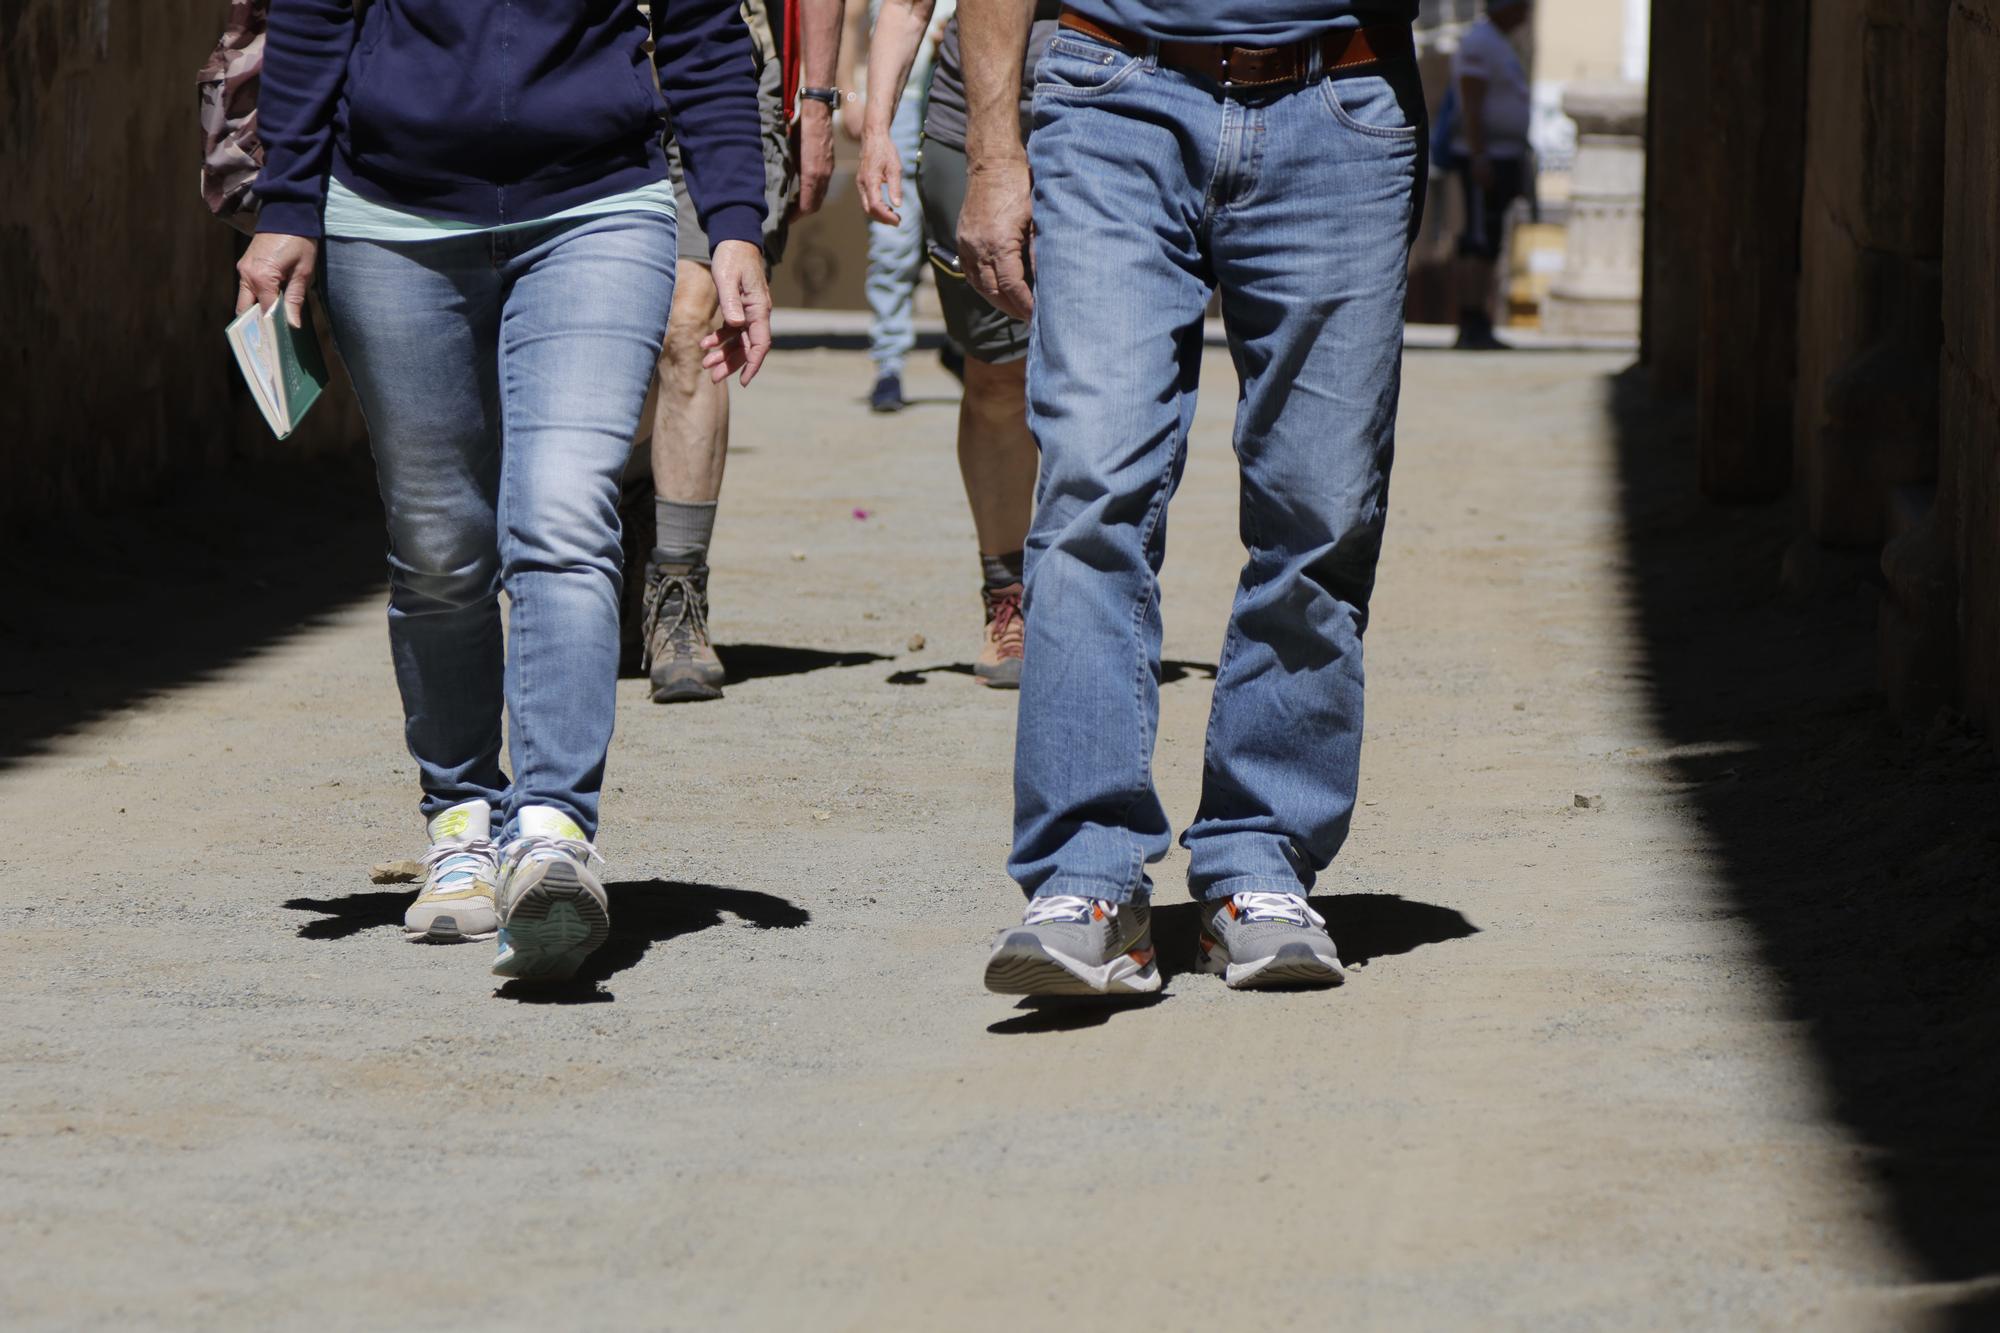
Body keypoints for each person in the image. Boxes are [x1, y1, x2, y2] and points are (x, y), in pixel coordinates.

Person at [237, 0, 773, 981]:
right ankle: (461, 821)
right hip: (389, 217)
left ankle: (555, 831)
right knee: (439, 540)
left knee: (565, 511)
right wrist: (285, 206)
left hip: (598, 207)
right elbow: (314, 12)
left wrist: (735, 223)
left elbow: (700, 30)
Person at [957, 0, 1426, 994]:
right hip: (1110, 91)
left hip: (1339, 97)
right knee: (1091, 482)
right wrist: (994, 157)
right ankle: (1086, 875)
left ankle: (1258, 859)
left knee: (1322, 507)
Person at [638, 0, 845, 704]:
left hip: (727, 62)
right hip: (587, 66)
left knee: (690, 321)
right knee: (622, 336)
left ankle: (677, 596)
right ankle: (628, 533)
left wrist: (816, 100)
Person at [857, 0, 1062, 688]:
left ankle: (1097, 598)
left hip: (1118, 125)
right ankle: (1009, 600)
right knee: (998, 378)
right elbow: (910, 8)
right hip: (968, 133)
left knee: (1113, 383)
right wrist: (877, 128)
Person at [856, 0, 957, 414]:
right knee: (892, 246)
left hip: (959, 104)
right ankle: (889, 365)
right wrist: (848, 93)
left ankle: (964, 349)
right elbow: (850, 20)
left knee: (961, 242)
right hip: (900, 103)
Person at [1450, 0, 1533, 350]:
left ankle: (1479, 320)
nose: (1527, 10)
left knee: (1491, 240)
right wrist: (1479, 155)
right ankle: (1472, 321)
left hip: (1503, 155)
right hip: (1483, 158)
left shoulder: (1500, 42)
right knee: (1478, 241)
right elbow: (1471, 101)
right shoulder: (1481, 42)